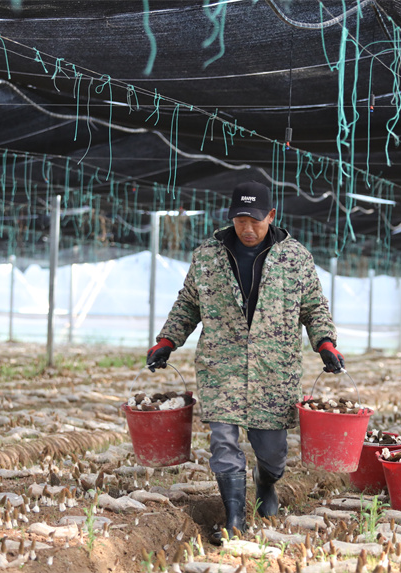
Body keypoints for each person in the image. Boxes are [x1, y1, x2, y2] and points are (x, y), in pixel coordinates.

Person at [144, 181, 344, 544]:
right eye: (240, 220)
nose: (247, 229)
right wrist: (167, 340)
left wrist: (326, 344)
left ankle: (266, 483)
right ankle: (235, 516)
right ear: (231, 218)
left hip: (274, 371)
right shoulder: (209, 256)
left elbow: (314, 307)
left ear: (270, 215)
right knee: (223, 441)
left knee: (273, 454)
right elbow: (189, 303)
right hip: (222, 366)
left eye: (254, 220)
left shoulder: (295, 258)